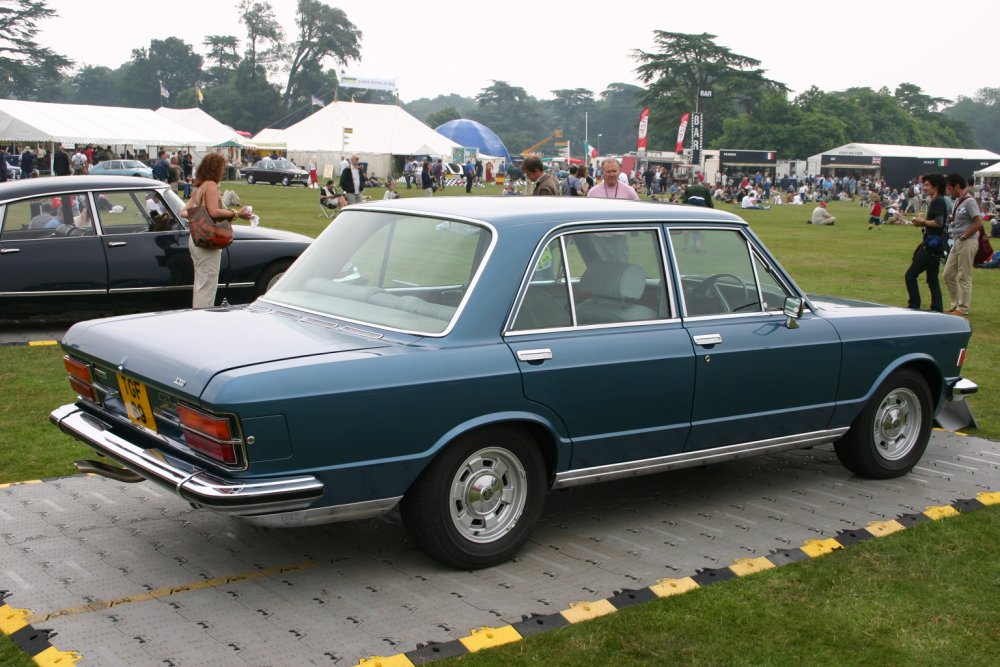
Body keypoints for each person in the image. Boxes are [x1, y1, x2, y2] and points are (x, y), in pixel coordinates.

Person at [181, 153, 253, 308]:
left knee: (201, 283)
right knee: (208, 285)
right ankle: (202, 321)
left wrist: (200, 214)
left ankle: (197, 316)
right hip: (208, 242)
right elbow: (214, 212)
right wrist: (236, 214)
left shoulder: (199, 187)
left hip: (195, 240)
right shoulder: (211, 185)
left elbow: (183, 212)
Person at [942, 173, 984, 316]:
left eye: (949, 188)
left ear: (957, 186)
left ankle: (963, 308)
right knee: (947, 274)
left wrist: (965, 235)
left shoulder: (969, 201)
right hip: (957, 240)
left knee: (964, 275)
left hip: (967, 241)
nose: (948, 191)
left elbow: (979, 222)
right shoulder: (958, 201)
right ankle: (955, 304)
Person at [905, 173, 947, 313]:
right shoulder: (936, 200)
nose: (924, 188)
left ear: (936, 187)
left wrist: (922, 222)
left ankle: (914, 304)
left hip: (931, 245)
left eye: (927, 185)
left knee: (910, 275)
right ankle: (937, 307)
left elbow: (938, 222)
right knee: (932, 280)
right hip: (934, 245)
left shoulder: (938, 201)